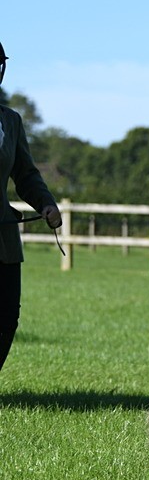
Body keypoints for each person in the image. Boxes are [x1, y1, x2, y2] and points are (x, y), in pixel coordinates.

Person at [0, 41, 62, 372]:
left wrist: (46, 203)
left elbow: (25, 174)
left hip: (3, 238)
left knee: (6, 317)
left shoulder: (10, 122)